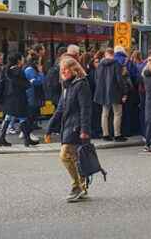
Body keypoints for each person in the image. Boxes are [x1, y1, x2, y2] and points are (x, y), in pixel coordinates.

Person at [45, 57, 93, 203]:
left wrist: (84, 129)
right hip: (67, 126)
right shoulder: (67, 86)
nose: (63, 72)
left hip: (76, 127)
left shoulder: (81, 85)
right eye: (61, 70)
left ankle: (77, 186)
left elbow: (86, 109)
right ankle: (82, 186)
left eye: (65, 69)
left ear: (74, 69)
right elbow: (59, 110)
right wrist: (49, 128)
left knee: (65, 155)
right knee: (76, 158)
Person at [0, 53, 36, 147]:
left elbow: (1, 84)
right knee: (22, 117)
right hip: (19, 98)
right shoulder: (19, 71)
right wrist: (30, 82)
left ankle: (1, 138)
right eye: (22, 59)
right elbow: (24, 84)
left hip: (9, 98)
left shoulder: (5, 70)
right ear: (18, 60)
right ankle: (27, 140)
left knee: (9, 116)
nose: (23, 60)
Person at [95, 49, 127, 142]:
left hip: (103, 92)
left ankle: (105, 134)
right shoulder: (116, 64)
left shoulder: (100, 65)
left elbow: (97, 78)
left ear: (105, 54)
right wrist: (124, 91)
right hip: (115, 92)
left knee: (105, 113)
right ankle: (117, 135)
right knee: (117, 113)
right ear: (113, 54)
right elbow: (119, 79)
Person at [24, 52, 46, 137]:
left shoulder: (31, 69)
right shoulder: (30, 70)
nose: (41, 64)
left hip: (34, 95)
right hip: (32, 95)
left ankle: (27, 132)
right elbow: (37, 82)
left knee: (33, 115)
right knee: (31, 115)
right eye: (39, 62)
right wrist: (41, 73)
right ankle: (26, 133)